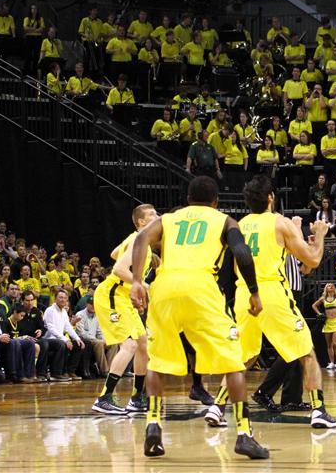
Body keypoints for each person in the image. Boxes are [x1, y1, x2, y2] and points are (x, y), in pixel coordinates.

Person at [128, 176, 267, 459]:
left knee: (157, 359)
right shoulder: (225, 220)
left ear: (188, 199)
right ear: (215, 201)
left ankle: (153, 423)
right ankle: (244, 434)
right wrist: (253, 291)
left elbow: (141, 238)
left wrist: (136, 281)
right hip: (202, 288)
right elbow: (241, 252)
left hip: (164, 288)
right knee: (233, 363)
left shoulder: (169, 219)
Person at [204, 175, 336, 430]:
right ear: (270, 198)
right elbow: (312, 261)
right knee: (307, 353)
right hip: (272, 291)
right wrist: (320, 235)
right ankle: (319, 410)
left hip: (244, 292)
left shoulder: (239, 224)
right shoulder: (280, 222)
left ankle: (217, 406)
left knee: (244, 356)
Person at [91, 204, 158, 415]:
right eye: (152, 214)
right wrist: (142, 284)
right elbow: (118, 268)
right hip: (111, 295)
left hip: (123, 298)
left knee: (143, 344)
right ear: (142, 222)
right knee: (128, 345)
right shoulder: (139, 241)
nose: (157, 216)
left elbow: (114, 254)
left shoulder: (139, 241)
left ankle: (138, 398)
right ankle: (104, 398)